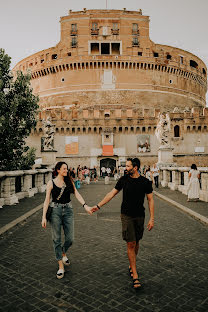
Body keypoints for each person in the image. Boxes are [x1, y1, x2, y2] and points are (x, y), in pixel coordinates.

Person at [92, 158, 154, 289]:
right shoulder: (123, 180)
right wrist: (98, 205)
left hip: (140, 215)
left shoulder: (145, 182)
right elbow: (111, 194)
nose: (125, 168)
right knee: (130, 242)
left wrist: (152, 218)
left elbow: (150, 200)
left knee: (137, 242)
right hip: (126, 215)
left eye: (128, 166)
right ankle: (135, 274)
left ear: (135, 167)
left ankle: (132, 264)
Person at [41, 161, 94, 279]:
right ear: (58, 170)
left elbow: (77, 194)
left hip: (68, 210)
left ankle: (63, 252)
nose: (66, 170)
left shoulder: (69, 181)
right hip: (55, 211)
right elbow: (46, 201)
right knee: (56, 239)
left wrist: (85, 206)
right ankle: (61, 266)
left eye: (67, 169)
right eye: (64, 169)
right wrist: (44, 217)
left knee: (70, 238)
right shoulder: (51, 183)